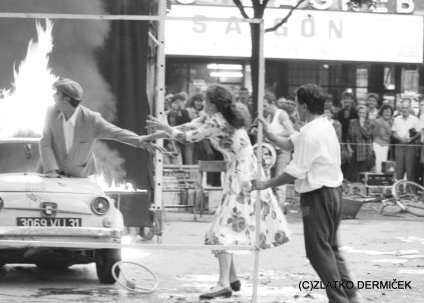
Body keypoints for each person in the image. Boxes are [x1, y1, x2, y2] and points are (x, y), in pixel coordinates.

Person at [142, 84, 290, 299]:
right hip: (239, 169)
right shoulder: (212, 117)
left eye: (206, 100)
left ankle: (223, 283)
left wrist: (165, 129)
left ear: (213, 102)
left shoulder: (218, 120)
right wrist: (152, 134)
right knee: (224, 221)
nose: (203, 104)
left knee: (225, 227)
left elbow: (188, 138)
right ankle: (231, 277)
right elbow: (185, 128)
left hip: (242, 172)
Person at [252, 84, 362, 303]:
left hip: (318, 197)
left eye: (296, 105)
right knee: (331, 249)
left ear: (303, 106)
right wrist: (269, 133)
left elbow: (294, 171)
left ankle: (338, 298)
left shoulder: (311, 133)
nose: (295, 111)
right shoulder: (323, 126)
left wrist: (266, 183)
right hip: (333, 194)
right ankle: (351, 295)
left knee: (318, 252)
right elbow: (290, 143)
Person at [38, 78, 162, 178]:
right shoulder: (51, 112)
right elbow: (45, 141)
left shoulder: (92, 119)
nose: (53, 96)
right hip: (50, 174)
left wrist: (141, 142)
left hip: (79, 177)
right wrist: (51, 170)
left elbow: (116, 133)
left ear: (66, 99)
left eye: (57, 93)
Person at [263, 91, 296, 208]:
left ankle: (280, 209)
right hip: (270, 152)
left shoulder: (281, 114)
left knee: (280, 181)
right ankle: (272, 209)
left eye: (265, 105)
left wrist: (274, 136)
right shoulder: (267, 117)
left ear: (272, 103)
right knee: (270, 181)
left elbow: (290, 131)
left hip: (282, 151)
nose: (263, 108)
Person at [391, 98, 420, 183]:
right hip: (399, 146)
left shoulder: (415, 119)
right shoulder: (396, 119)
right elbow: (393, 133)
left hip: (410, 146)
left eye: (406, 108)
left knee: (410, 171)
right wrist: (401, 139)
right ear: (400, 109)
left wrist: (411, 139)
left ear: (410, 108)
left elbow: (419, 133)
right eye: (403, 108)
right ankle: (398, 192)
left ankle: (410, 192)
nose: (404, 109)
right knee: (399, 171)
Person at [347, 105, 374, 177]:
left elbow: (367, 135)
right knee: (352, 173)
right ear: (358, 113)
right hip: (353, 150)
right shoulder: (352, 122)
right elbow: (348, 136)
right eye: (360, 112)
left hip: (364, 151)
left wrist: (362, 125)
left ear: (366, 114)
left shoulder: (370, 123)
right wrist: (348, 147)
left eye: (364, 113)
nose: (362, 114)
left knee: (362, 173)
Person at [370, 105, 393, 173]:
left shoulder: (391, 123)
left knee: (384, 164)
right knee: (377, 163)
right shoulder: (377, 122)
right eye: (385, 111)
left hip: (386, 146)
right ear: (382, 112)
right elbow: (373, 135)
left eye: (389, 112)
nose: (387, 113)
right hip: (377, 145)